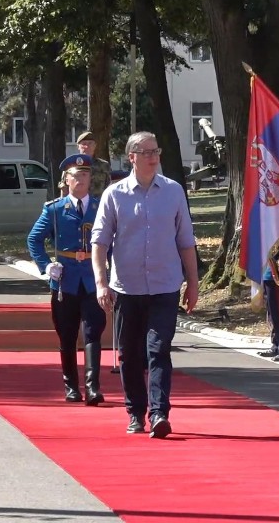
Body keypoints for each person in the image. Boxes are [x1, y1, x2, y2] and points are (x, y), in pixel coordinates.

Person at [91, 131, 199, 439]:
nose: (153, 157)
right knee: (130, 354)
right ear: (132, 158)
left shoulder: (173, 191)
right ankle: (135, 412)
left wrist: (193, 283)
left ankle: (159, 413)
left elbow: (186, 241)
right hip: (128, 287)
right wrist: (101, 283)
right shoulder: (115, 194)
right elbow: (99, 242)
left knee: (158, 348)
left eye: (156, 151)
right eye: (146, 152)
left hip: (165, 285)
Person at [27, 154, 106, 406]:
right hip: (65, 281)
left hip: (93, 279)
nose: (80, 179)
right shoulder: (55, 209)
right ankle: (71, 386)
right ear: (66, 180)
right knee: (67, 334)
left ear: (90, 179)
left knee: (93, 332)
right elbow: (34, 239)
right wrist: (46, 265)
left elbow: (113, 240)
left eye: (85, 175)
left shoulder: (100, 207)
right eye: (75, 176)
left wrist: (112, 271)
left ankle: (93, 388)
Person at [75, 131, 113, 197]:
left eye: (90, 143)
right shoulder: (71, 165)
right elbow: (64, 188)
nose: (87, 146)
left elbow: (109, 187)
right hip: (78, 202)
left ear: (95, 146)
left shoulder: (104, 165)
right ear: (78, 147)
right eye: (84, 144)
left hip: (99, 202)